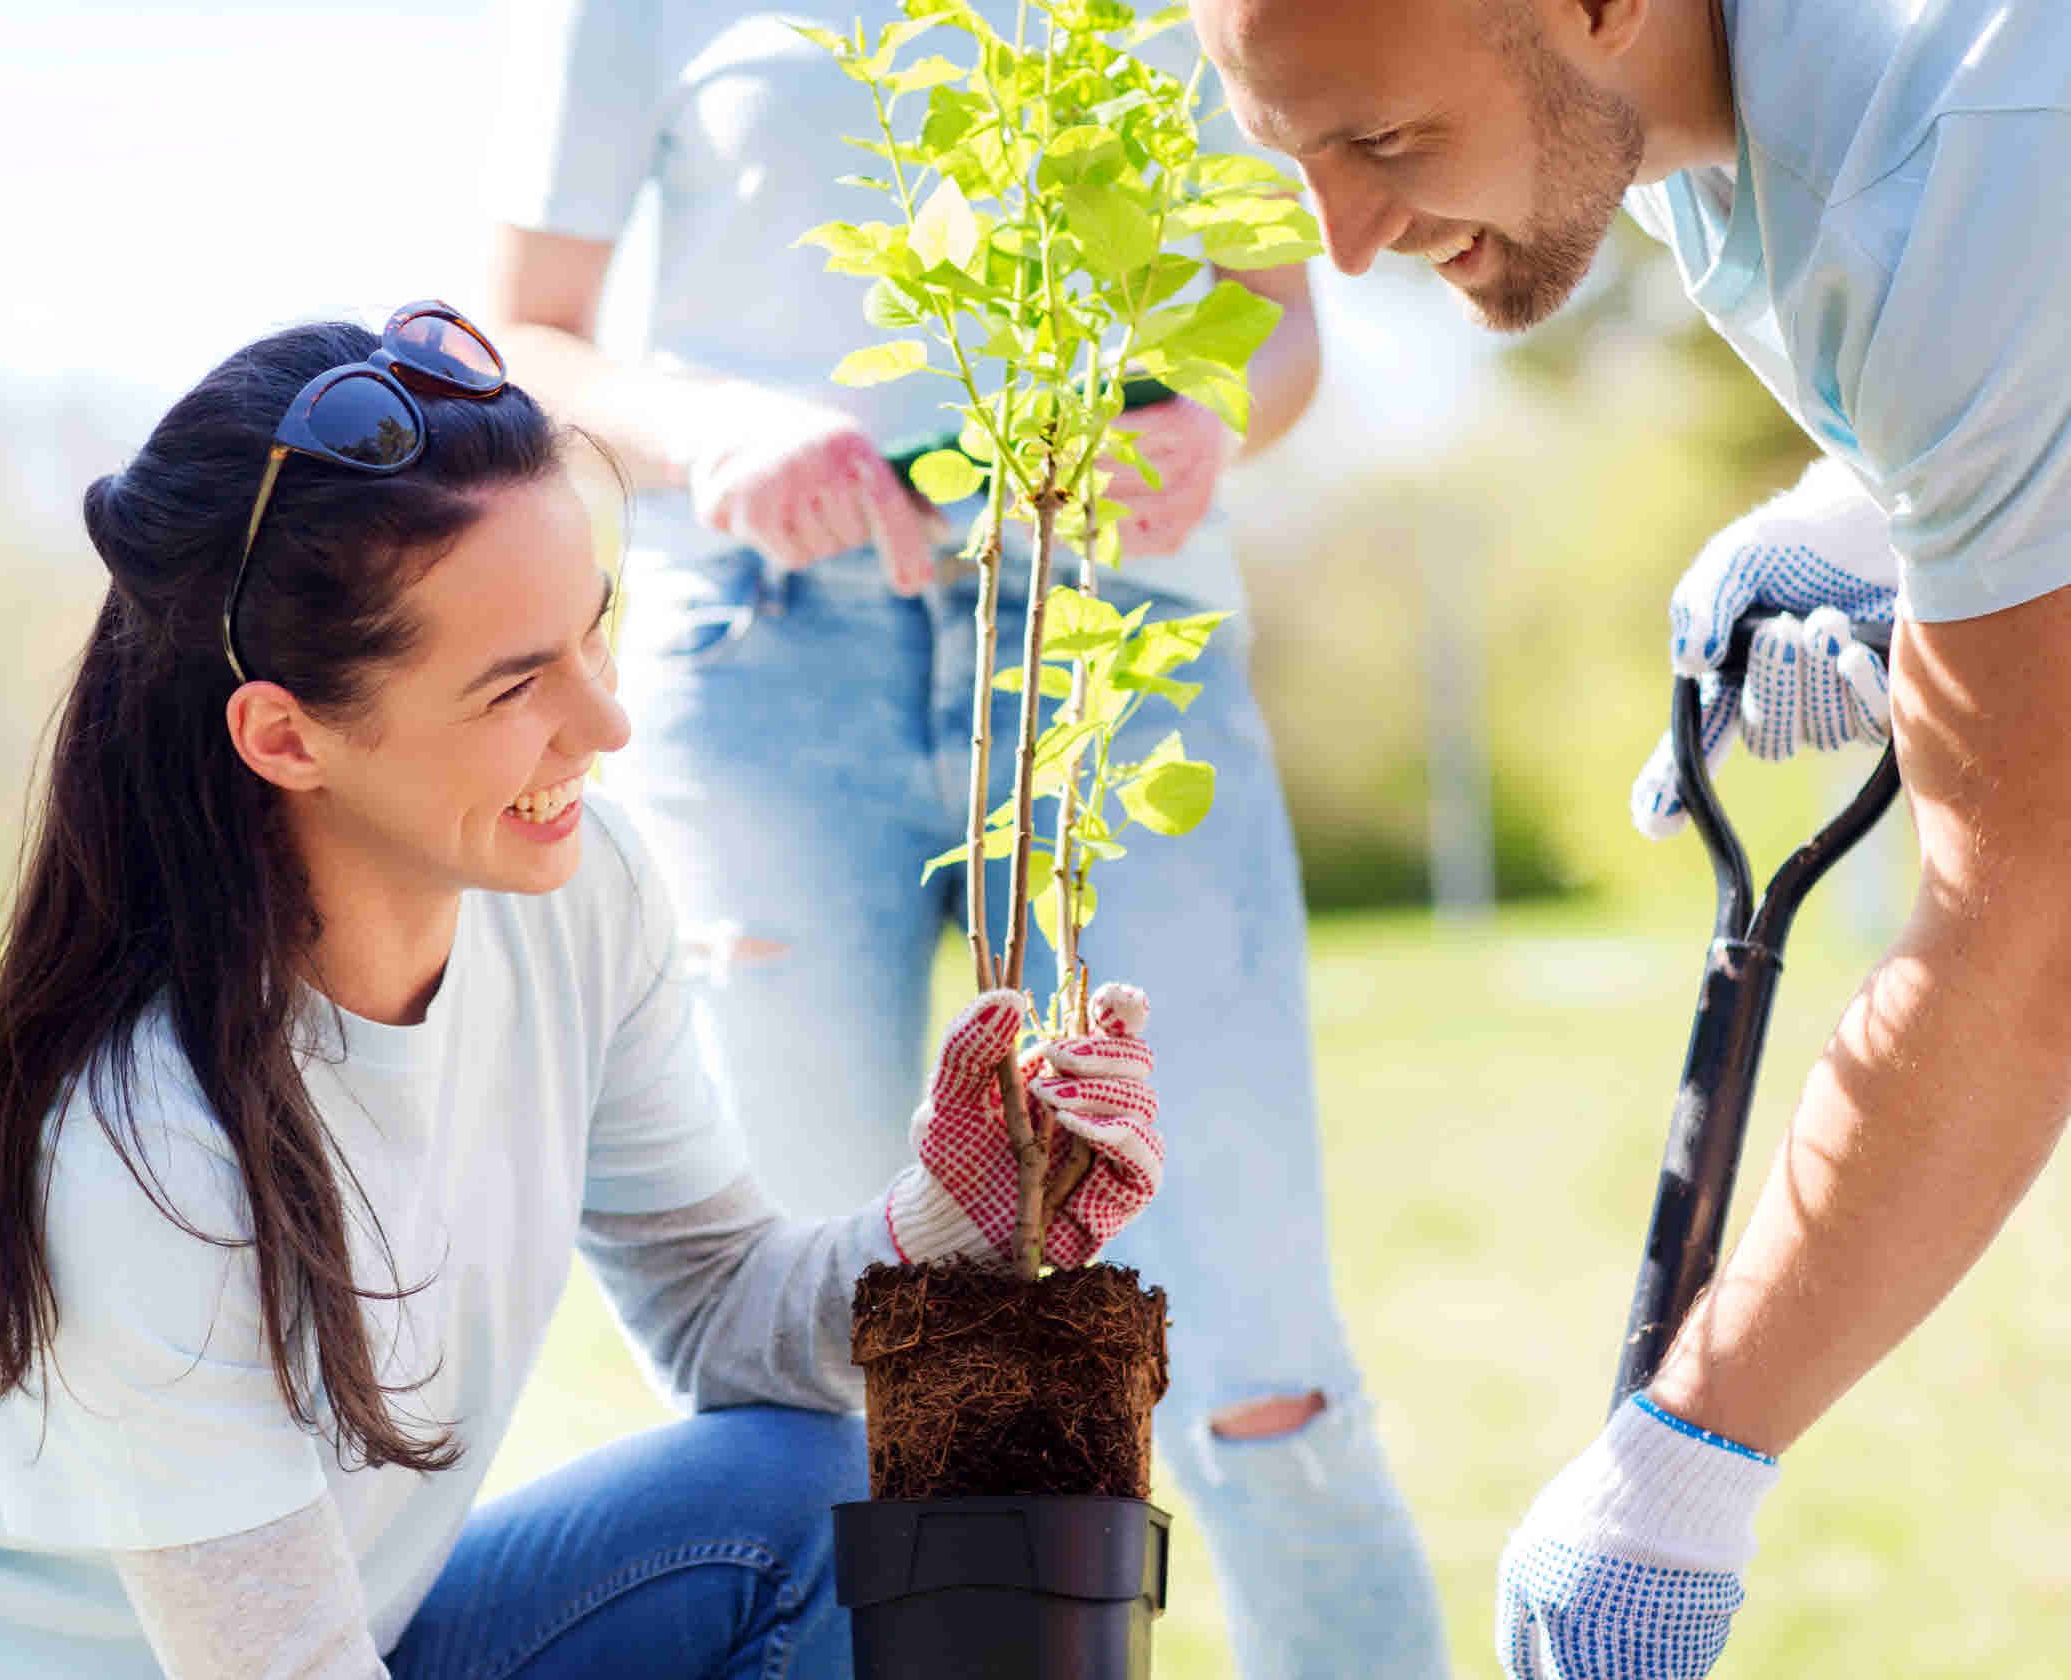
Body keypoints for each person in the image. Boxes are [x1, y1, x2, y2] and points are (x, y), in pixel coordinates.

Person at [0, 309, 1169, 1679]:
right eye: (516, 688)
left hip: (343, 1642)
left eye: (593, 633)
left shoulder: (575, 895)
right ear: (287, 735)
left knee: (814, 1498)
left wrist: (964, 1220)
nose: (608, 725)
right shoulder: (147, 1148)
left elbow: (721, 1310)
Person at [480, 6, 1451, 1675]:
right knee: (809, 1368)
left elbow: (1278, 324)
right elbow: (518, 334)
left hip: (1113, 650)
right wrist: (712, 429)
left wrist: (1211, 416)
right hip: (765, 664)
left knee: (1261, 1353)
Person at [1183, 0, 2071, 1671]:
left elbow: (2031, 942)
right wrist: (1876, 507)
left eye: (1384, 144)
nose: (1349, 248)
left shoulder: (1960, 161)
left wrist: (1687, 1465)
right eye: (1295, 159)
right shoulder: (1666, 130)